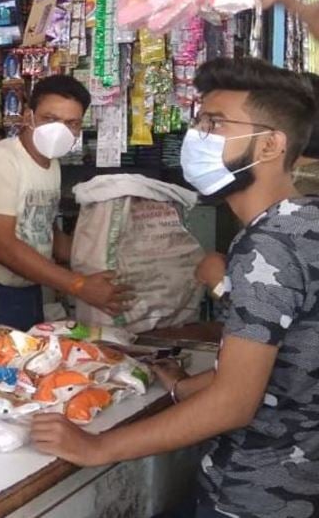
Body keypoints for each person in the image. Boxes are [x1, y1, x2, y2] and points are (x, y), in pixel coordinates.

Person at [30, 57, 319, 518]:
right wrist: (188, 386)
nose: (197, 135)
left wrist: (99, 447)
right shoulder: (302, 223)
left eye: (216, 122)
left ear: (269, 145)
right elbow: (285, 361)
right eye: (199, 119)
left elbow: (234, 405)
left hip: (257, 493)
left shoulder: (268, 246)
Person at [0, 75, 131, 332]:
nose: (60, 130)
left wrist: (108, 261)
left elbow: (42, 228)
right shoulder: (0, 160)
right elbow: (1, 246)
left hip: (30, 290)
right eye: (50, 119)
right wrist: (79, 285)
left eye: (72, 123)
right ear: (28, 117)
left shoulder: (52, 164)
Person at [195, 71, 319, 295]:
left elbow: (266, 305)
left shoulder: (292, 204)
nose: (198, 134)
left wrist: (219, 283)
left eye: (216, 124)